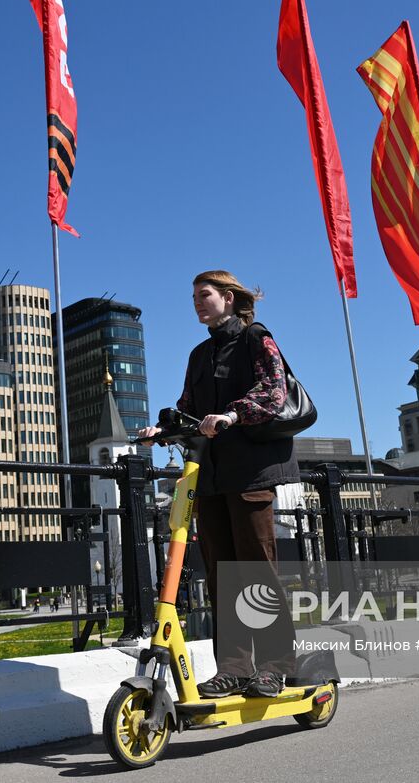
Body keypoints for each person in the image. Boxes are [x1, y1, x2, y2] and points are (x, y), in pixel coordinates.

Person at [137, 270, 299, 698]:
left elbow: (273, 390)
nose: (197, 302)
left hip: (250, 473)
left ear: (228, 297)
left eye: (204, 294)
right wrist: (162, 428)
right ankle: (232, 669)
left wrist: (232, 414)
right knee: (221, 575)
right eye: (192, 296)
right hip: (209, 476)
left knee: (255, 570)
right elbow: (189, 408)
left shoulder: (255, 338)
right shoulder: (198, 355)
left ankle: (273, 667)